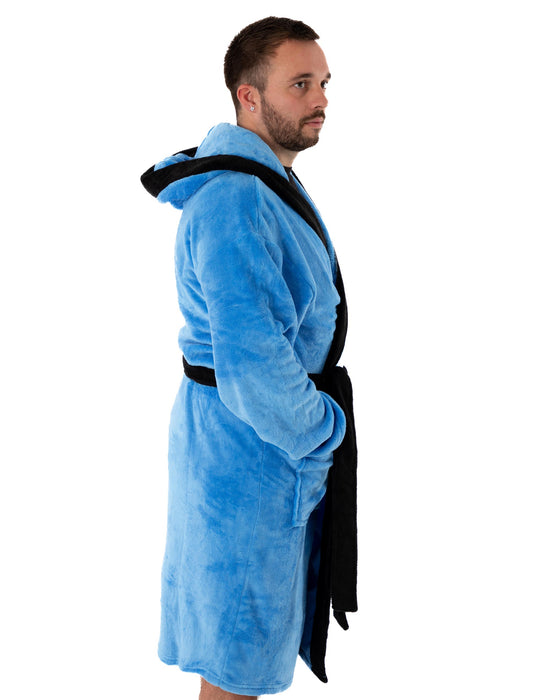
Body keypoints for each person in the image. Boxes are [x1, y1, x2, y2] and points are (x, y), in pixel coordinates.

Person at [141, 16, 357, 700]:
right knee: (236, 664)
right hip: (252, 451)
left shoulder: (262, 183)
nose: (320, 99)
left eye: (324, 82)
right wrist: (322, 433)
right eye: (301, 84)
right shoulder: (236, 200)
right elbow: (254, 364)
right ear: (249, 96)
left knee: (240, 651)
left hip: (244, 446)